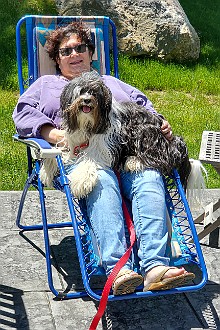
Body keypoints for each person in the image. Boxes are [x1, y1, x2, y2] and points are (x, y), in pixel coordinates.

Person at [13, 21, 195, 295]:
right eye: (66, 51)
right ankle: (117, 269)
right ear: (56, 60)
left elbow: (145, 106)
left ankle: (156, 266)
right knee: (101, 180)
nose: (75, 54)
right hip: (77, 156)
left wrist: (159, 122)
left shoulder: (110, 83)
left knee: (149, 176)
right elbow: (23, 114)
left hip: (128, 153)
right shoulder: (45, 85)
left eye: (81, 48)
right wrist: (55, 134)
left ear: (90, 53)